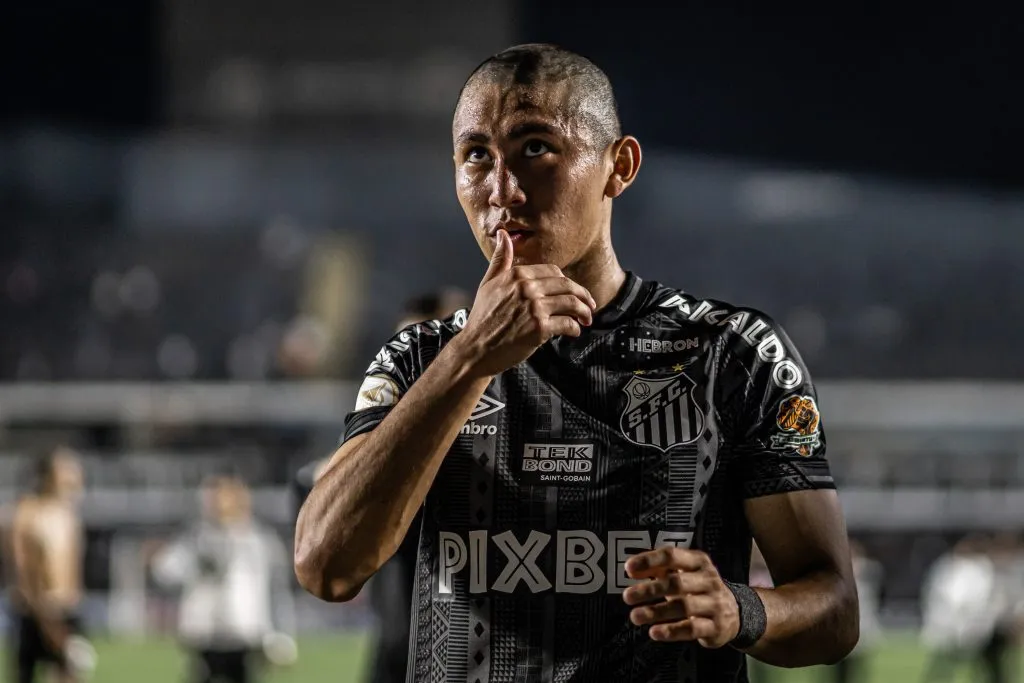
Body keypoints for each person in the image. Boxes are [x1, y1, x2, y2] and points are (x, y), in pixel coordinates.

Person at [295, 43, 859, 682]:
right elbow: (325, 566)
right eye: (476, 155)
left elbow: (835, 612)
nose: (502, 190)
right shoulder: (422, 357)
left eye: (536, 148)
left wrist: (740, 609)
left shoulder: (729, 352)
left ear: (619, 166)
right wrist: (470, 358)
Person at [292, 288, 471, 683]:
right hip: (397, 638)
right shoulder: (374, 433)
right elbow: (313, 542)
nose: (418, 369)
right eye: (406, 344)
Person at [151, 474, 297, 683]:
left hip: (245, 631)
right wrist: (195, 563)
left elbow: (276, 589)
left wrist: (282, 633)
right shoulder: (198, 537)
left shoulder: (259, 540)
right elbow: (165, 572)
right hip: (206, 633)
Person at [6, 447, 93, 683]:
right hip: (36, 611)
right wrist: (45, 618)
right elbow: (23, 570)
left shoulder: (69, 515)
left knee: (70, 674)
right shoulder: (28, 512)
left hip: (67, 609)